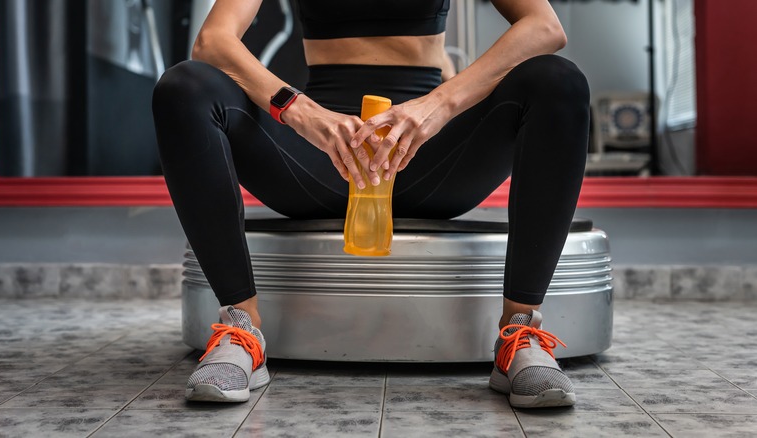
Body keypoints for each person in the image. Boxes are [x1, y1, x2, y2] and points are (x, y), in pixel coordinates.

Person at [152, 0, 589, 409]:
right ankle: (240, 329)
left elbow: (544, 27)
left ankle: (519, 331)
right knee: (184, 85)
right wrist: (298, 110)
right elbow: (213, 40)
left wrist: (437, 105)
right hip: (318, 159)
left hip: (429, 158)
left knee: (558, 80)